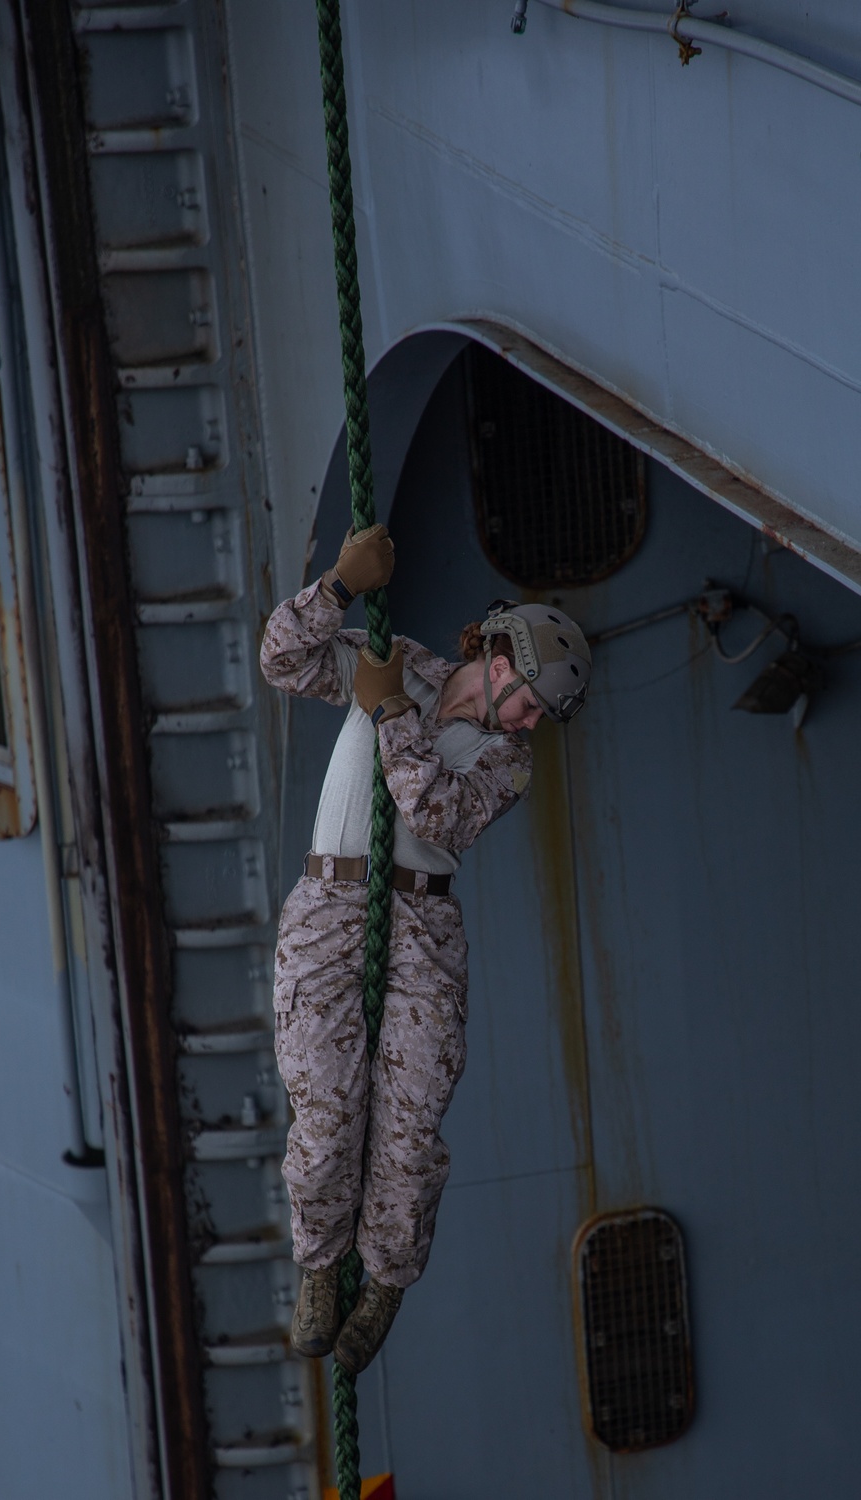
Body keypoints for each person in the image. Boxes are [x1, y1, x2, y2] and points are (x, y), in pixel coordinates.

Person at [259, 523, 591, 1374]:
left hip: (422, 931)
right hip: (330, 905)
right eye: (528, 704)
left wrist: (391, 711)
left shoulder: (505, 765)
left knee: (410, 1126)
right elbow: (284, 661)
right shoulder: (393, 657)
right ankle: (321, 1265)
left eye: (538, 719)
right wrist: (337, 586)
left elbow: (434, 815)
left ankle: (387, 1281)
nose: (527, 724)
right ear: (504, 657)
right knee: (328, 1115)